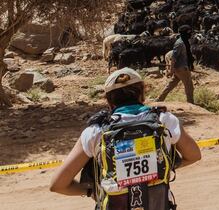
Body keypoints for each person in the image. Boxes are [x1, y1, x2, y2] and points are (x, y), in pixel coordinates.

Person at [50, 68, 201, 209]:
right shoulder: (164, 120)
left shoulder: (95, 132)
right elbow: (194, 155)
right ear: (142, 93)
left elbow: (58, 185)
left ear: (109, 101)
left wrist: (93, 191)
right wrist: (161, 167)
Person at [156, 26, 195, 104]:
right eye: (189, 32)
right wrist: (171, 69)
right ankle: (191, 103)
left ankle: (159, 99)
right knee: (189, 86)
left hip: (181, 67)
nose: (190, 34)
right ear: (184, 33)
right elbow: (174, 57)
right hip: (181, 68)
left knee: (171, 84)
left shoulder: (185, 42)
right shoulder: (180, 43)